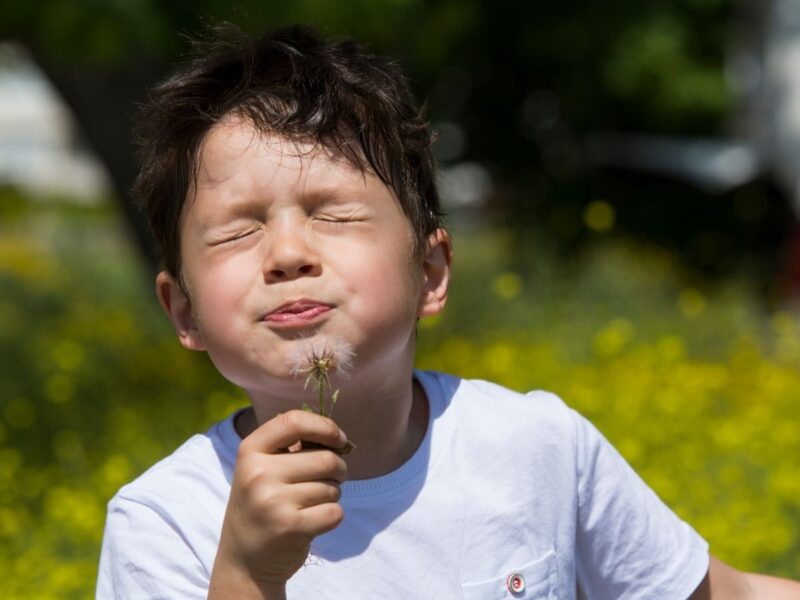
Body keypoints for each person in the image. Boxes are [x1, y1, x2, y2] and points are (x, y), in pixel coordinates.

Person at [96, 24, 800, 599]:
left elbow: (724, 594)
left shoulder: (538, 447)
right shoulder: (166, 522)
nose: (286, 254)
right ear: (183, 311)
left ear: (430, 273)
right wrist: (247, 575)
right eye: (236, 232)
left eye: (334, 215)